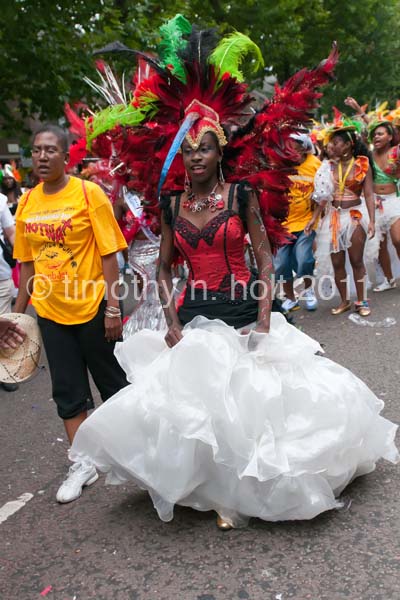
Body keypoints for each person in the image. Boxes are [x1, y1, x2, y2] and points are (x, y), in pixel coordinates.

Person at [68, 19, 397, 530]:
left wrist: (265, 316)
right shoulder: (173, 203)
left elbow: (265, 260)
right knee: (200, 400)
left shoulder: (241, 195)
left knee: (256, 400)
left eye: (205, 149)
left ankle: (248, 490)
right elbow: (162, 268)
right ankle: (212, 487)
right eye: (189, 150)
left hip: (244, 302)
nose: (196, 157)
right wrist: (172, 321)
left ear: (221, 152)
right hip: (196, 310)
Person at [13, 124, 129, 503]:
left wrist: (113, 307)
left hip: (94, 306)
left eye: (50, 150)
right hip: (49, 310)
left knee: (112, 383)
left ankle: (136, 451)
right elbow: (27, 266)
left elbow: (109, 254)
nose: (42, 157)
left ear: (66, 156)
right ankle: (83, 463)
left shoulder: (87, 192)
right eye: (36, 150)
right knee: (67, 388)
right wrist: (18, 317)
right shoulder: (27, 202)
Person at [307, 126, 376, 316]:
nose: (331, 146)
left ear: (347, 145)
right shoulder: (327, 166)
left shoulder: (362, 165)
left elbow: (369, 194)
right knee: (337, 263)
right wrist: (313, 219)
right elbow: (323, 197)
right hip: (333, 218)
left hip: (355, 216)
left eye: (336, 142)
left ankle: (362, 302)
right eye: (331, 143)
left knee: (356, 260)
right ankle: (344, 301)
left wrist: (372, 221)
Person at [274, 133, 321, 311]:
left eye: (291, 145)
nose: (287, 149)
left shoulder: (315, 165)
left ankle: (308, 291)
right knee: (281, 264)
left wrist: (315, 218)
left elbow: (323, 195)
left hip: (306, 223)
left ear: (302, 147)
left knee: (304, 260)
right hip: (283, 224)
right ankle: (291, 298)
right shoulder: (279, 166)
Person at [368, 120, 400, 291]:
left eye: (380, 134)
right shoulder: (369, 154)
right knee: (379, 244)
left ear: (390, 137)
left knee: (398, 239)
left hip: (394, 200)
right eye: (375, 134)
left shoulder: (396, 151)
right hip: (375, 202)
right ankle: (388, 279)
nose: (376, 137)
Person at [0, 189, 18, 391]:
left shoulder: (0, 201)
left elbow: (10, 231)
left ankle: (5, 372)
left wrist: (23, 255)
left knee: (3, 320)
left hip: (1, 274)